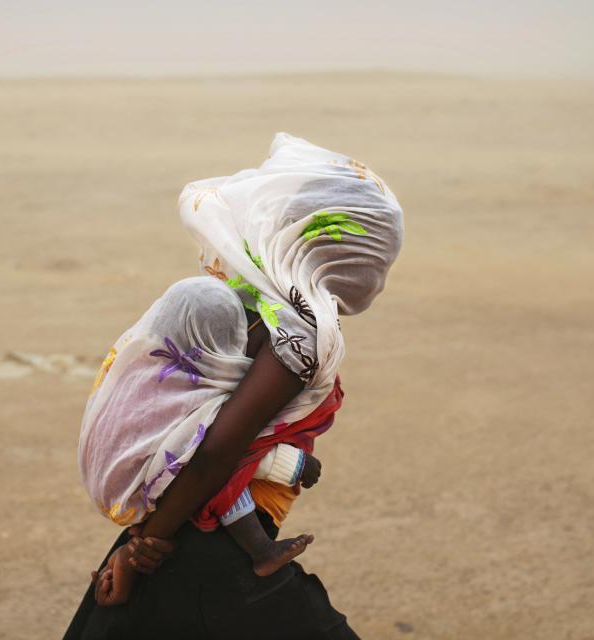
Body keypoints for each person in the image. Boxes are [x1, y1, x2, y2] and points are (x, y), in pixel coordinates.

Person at [65, 132, 404, 639]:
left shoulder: (251, 299)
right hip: (204, 554)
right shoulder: (297, 331)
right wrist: (136, 559)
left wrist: (135, 550)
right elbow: (214, 452)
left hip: (173, 532)